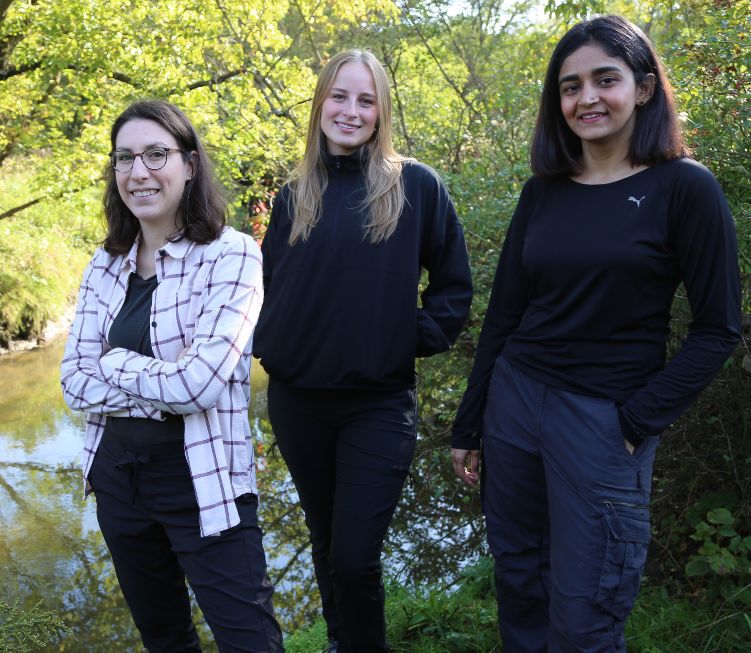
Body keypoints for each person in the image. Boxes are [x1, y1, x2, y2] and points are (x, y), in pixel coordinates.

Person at [450, 15, 742, 653]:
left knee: (588, 613)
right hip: (515, 403)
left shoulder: (685, 188)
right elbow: (503, 316)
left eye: (604, 80)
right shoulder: (544, 193)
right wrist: (470, 425)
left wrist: (637, 421)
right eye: (569, 86)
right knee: (521, 585)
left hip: (604, 420)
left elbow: (719, 330)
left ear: (642, 89)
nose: (586, 98)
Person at [253, 50, 474, 653]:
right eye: (339, 96)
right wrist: (270, 340)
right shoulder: (294, 193)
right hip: (299, 401)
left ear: (381, 113)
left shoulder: (415, 186)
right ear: (321, 103)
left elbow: (455, 288)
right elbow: (267, 286)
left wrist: (408, 337)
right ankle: (338, 642)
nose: (350, 111)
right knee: (324, 543)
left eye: (365, 100)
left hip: (377, 405)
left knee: (354, 557)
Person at [59, 100, 283, 653]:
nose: (139, 172)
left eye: (156, 154)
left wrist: (113, 362)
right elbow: (72, 382)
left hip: (204, 478)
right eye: (125, 158)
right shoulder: (105, 262)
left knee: (250, 642)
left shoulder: (231, 257)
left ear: (188, 163)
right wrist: (159, 377)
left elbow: (198, 387)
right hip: (118, 480)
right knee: (165, 640)